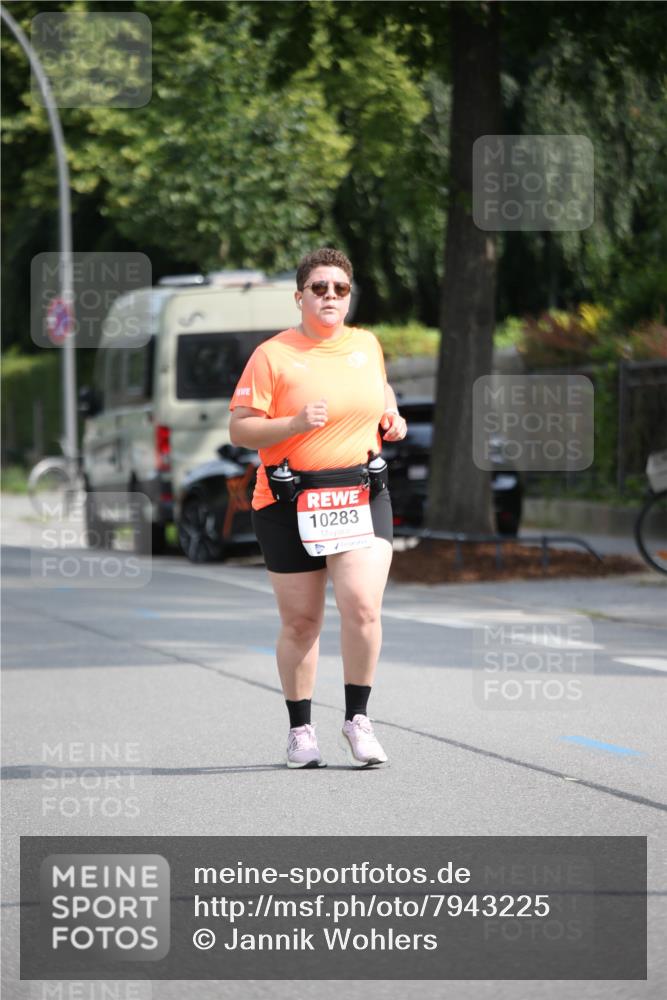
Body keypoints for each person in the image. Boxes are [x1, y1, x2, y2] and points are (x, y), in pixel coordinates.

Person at [229, 247, 407, 769]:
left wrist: (391, 415)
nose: (331, 297)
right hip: (288, 499)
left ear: (350, 297)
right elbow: (240, 428)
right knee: (303, 622)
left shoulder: (366, 345)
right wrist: (292, 424)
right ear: (300, 296)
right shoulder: (272, 355)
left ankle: (358, 720)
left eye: (340, 289)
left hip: (359, 494)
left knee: (362, 606)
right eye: (320, 288)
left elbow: (381, 390)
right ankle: (301, 730)